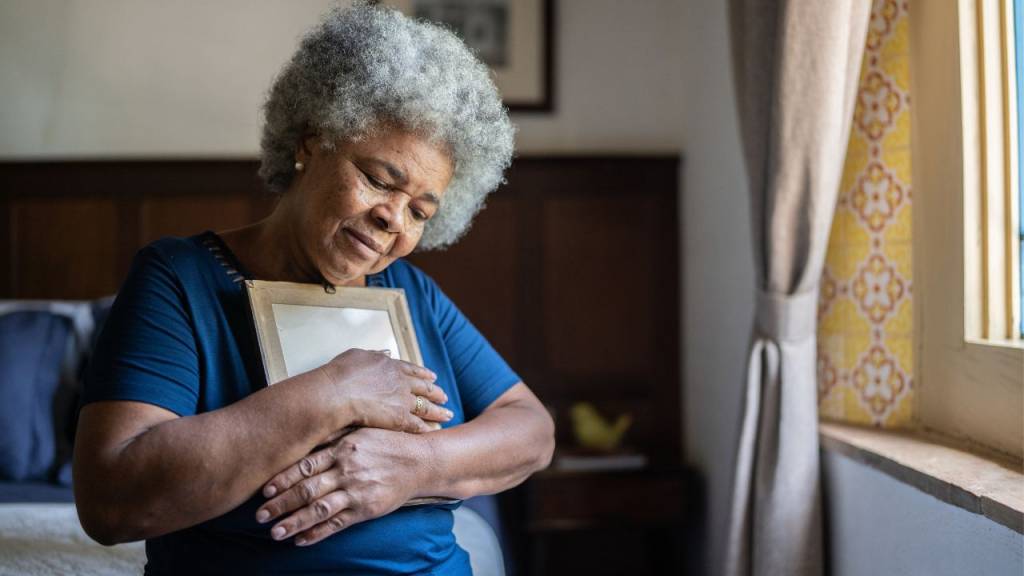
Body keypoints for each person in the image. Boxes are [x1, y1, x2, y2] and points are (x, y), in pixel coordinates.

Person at [71, 3, 555, 574]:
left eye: (421, 210)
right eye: (378, 179)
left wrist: (416, 464)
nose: (394, 219)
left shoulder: (412, 290)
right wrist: (330, 393)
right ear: (310, 141)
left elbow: (532, 430)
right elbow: (111, 498)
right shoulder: (180, 278)